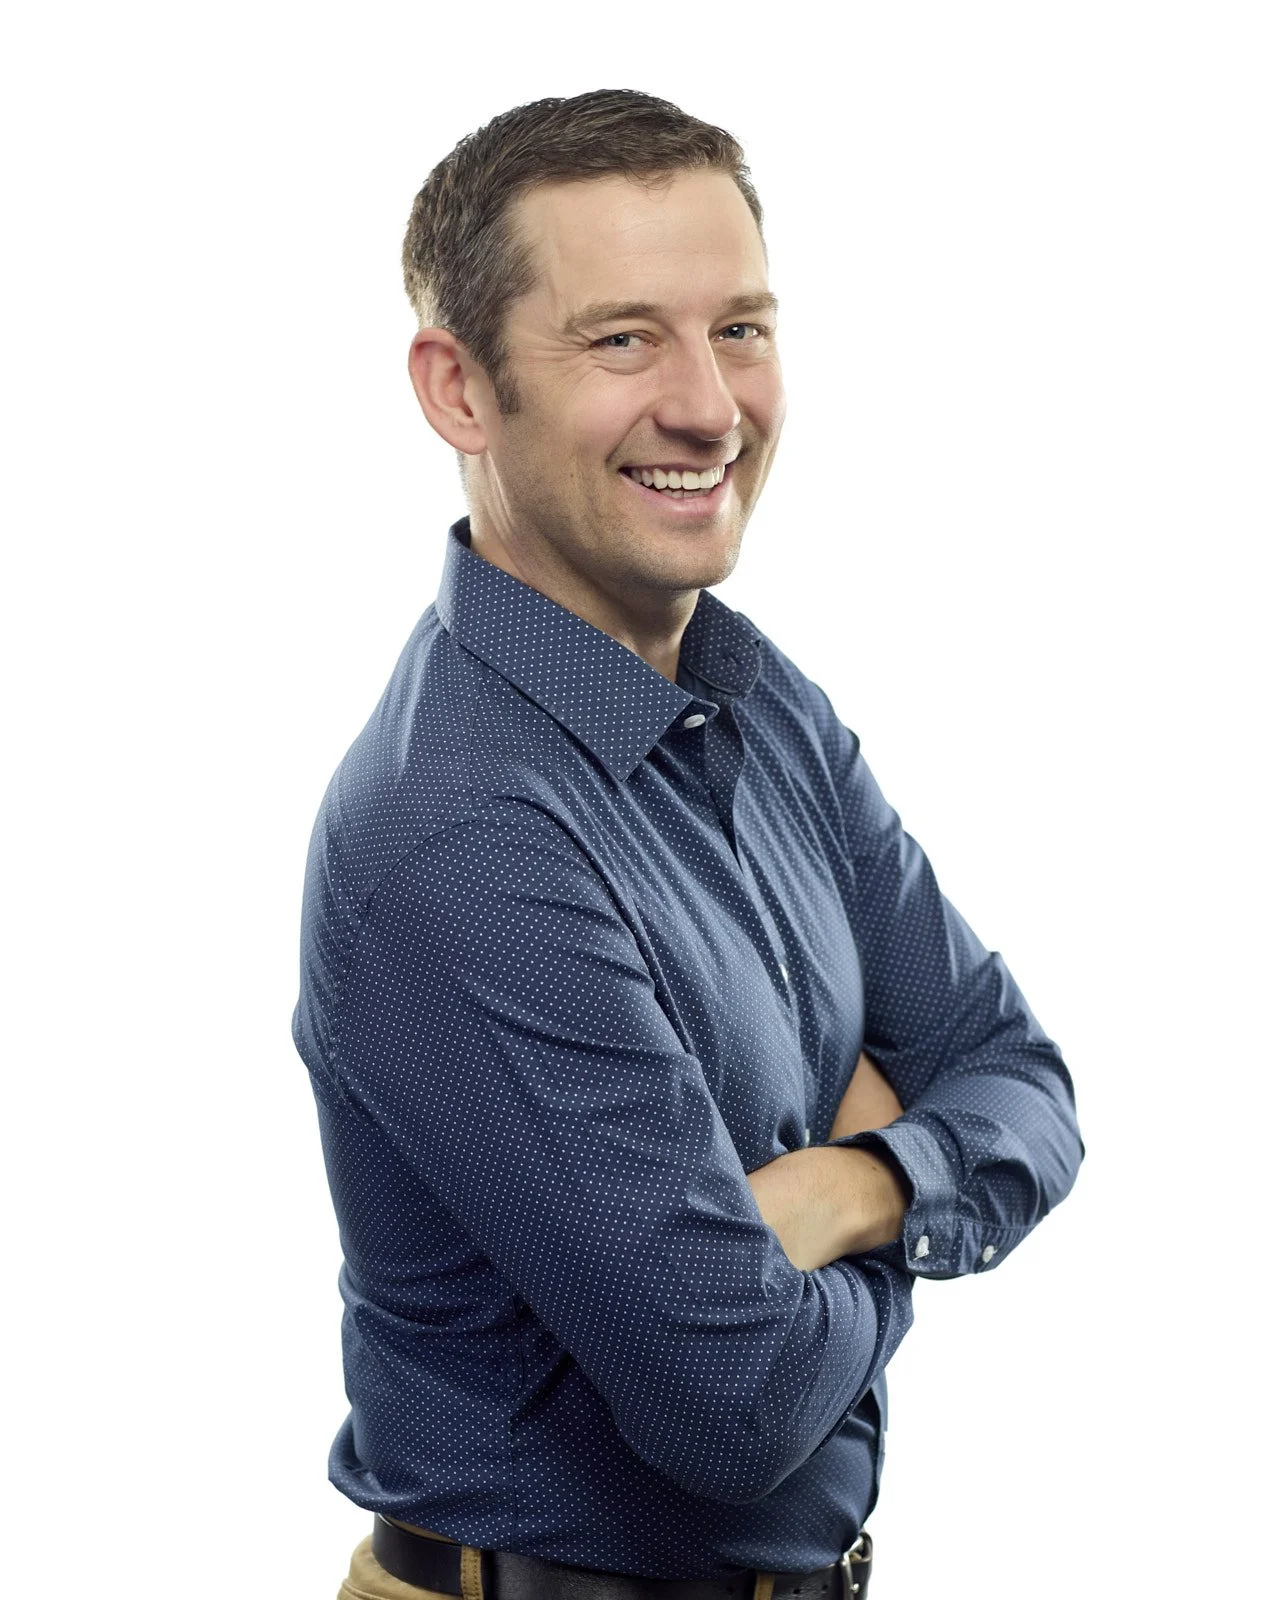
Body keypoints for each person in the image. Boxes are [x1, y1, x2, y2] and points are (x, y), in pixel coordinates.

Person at [292, 88, 1085, 1600]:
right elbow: (735, 1402)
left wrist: (856, 1185)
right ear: (459, 391)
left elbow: (1026, 1078)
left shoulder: (754, 694)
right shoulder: (465, 830)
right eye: (622, 340)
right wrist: (926, 1182)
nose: (710, 408)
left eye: (740, 329)